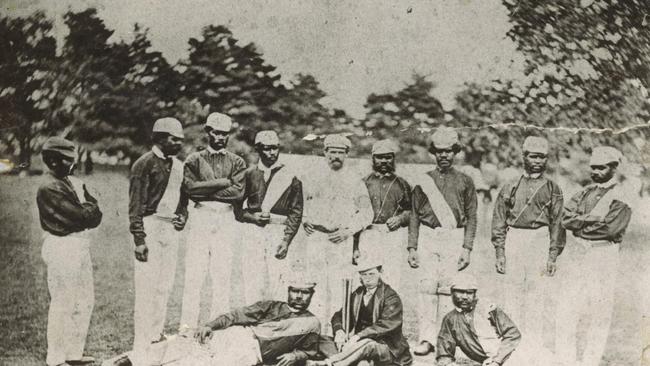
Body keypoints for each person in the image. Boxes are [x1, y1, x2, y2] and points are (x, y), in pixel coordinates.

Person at [114, 279, 321, 366]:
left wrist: (296, 355)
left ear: (311, 294)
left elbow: (311, 350)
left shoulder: (312, 323)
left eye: (305, 292)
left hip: (251, 351)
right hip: (235, 335)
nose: (299, 297)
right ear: (288, 291)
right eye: (295, 291)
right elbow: (235, 316)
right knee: (183, 342)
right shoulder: (271, 306)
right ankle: (129, 361)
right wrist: (209, 326)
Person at [555, 146, 632, 366]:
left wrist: (580, 223)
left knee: (600, 310)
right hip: (579, 254)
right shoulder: (584, 192)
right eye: (593, 168)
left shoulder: (621, 195)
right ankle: (565, 360)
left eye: (602, 168)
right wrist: (590, 219)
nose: (596, 172)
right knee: (567, 306)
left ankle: (591, 361)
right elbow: (566, 219)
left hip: (604, 254)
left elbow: (610, 229)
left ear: (614, 168)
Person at [407, 127, 478, 356]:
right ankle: (427, 339)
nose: (444, 156)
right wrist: (412, 247)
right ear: (434, 153)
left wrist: (466, 248)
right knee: (426, 289)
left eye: (448, 151)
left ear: (455, 152)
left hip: (453, 237)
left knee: (449, 291)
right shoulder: (423, 181)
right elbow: (415, 214)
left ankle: (446, 341)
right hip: (429, 235)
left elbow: (472, 216)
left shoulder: (466, 181)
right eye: (439, 152)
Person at [490, 135, 565, 344]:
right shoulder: (511, 185)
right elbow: (499, 219)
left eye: (542, 157)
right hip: (515, 238)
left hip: (539, 239)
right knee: (512, 290)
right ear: (524, 157)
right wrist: (500, 252)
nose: (538, 161)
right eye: (533, 156)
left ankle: (533, 343)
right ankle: (512, 341)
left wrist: (552, 255)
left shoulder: (552, 188)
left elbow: (558, 224)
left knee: (536, 291)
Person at [178, 112, 247, 332]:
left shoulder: (236, 161)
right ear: (208, 132)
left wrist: (207, 190)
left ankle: (217, 327)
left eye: (224, 133)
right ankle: (187, 328)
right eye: (216, 132)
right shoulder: (194, 159)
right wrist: (222, 183)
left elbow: (237, 194)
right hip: (202, 216)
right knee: (194, 274)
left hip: (225, 217)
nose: (220, 137)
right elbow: (190, 190)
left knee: (222, 274)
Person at [36, 136, 102, 366]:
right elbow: (82, 216)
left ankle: (74, 353)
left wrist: (89, 210)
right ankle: (55, 358)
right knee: (63, 301)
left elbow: (96, 215)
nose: (72, 164)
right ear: (53, 161)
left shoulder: (71, 181)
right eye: (66, 160)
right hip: (62, 244)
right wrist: (88, 210)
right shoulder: (49, 186)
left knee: (85, 300)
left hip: (79, 243)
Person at [127, 118, 188, 366]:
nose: (179, 144)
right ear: (160, 139)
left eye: (180, 140)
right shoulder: (143, 164)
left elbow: (184, 197)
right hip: (151, 226)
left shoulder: (179, 166)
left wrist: (183, 216)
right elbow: (135, 206)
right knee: (146, 288)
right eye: (174, 140)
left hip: (170, 228)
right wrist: (139, 238)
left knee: (165, 285)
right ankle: (140, 343)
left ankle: (155, 335)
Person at [301, 134, 373, 334]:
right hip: (316, 236)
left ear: (347, 154)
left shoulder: (354, 180)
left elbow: (367, 213)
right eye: (332, 152)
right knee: (314, 282)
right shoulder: (313, 176)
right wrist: (304, 220)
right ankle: (314, 331)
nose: (336, 156)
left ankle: (337, 332)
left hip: (340, 239)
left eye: (340, 152)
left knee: (338, 284)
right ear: (325, 152)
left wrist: (348, 231)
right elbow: (302, 204)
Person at [236, 130, 303, 303]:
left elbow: (296, 212)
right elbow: (237, 208)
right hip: (253, 231)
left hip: (278, 231)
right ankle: (250, 320)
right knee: (252, 277)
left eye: (275, 148)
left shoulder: (291, 176)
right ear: (258, 150)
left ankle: (277, 322)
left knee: (279, 279)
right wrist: (253, 218)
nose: (272, 153)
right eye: (267, 149)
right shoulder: (249, 174)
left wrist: (286, 240)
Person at [309, 256, 412, 366]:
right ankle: (354, 359)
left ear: (380, 272)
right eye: (364, 274)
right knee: (320, 339)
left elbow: (386, 324)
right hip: (357, 344)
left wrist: (358, 337)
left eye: (371, 274)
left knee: (367, 344)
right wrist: (339, 331)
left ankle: (331, 363)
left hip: (386, 348)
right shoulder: (358, 293)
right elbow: (339, 315)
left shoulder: (390, 297)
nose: (367, 278)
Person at [435, 273, 552, 366]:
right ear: (452, 293)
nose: (465, 297)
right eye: (460, 291)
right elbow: (444, 353)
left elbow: (513, 335)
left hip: (517, 353)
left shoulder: (487, 308)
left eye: (469, 292)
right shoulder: (450, 319)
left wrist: (497, 361)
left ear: (475, 294)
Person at [354, 139, 411, 291]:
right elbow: (354, 215)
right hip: (367, 234)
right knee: (367, 275)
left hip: (392, 235)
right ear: (373, 159)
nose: (384, 161)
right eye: (380, 157)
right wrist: (354, 247)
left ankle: (389, 312)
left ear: (393, 158)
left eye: (388, 157)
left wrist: (400, 219)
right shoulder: (363, 182)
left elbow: (412, 211)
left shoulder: (402, 184)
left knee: (392, 276)